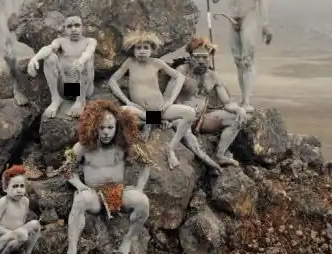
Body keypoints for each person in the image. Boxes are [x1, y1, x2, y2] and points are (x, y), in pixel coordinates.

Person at [58, 100, 151, 254]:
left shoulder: (124, 145)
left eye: (110, 127)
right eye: (102, 128)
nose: (106, 132)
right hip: (95, 196)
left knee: (143, 202)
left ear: (117, 127)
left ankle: (127, 241)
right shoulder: (83, 147)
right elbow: (66, 169)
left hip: (119, 194)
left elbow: (146, 164)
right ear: (94, 126)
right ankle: (72, 252)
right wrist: (79, 185)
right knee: (80, 200)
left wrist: (139, 188)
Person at [201, 0, 273, 111]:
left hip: (249, 16)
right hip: (231, 18)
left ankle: (246, 101)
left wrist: (265, 24)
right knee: (238, 60)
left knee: (247, 59)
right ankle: (242, 99)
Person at [108, 30, 196, 169]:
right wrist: (127, 101)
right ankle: (152, 122)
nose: (142, 51)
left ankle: (170, 148)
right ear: (133, 50)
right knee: (121, 111)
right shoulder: (130, 63)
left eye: (146, 48)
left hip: (160, 110)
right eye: (138, 48)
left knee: (190, 113)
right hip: (141, 111)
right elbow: (112, 81)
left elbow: (180, 77)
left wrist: (170, 101)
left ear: (152, 50)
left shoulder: (157, 63)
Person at [167, 37, 247, 167]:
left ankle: (220, 155)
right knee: (185, 129)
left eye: (204, 57)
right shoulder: (181, 71)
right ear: (190, 57)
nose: (201, 61)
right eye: (197, 57)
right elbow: (166, 99)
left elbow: (227, 103)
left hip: (201, 120)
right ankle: (209, 162)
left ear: (209, 57)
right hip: (181, 118)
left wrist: (239, 109)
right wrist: (158, 118)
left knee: (236, 118)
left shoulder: (213, 76)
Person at [27, 14, 97, 118]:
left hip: (84, 89)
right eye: (69, 26)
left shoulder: (89, 41)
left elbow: (89, 51)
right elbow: (49, 48)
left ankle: (80, 101)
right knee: (50, 58)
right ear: (65, 29)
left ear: (82, 27)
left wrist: (81, 61)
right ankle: (56, 99)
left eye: (77, 25)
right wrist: (35, 58)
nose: (73, 29)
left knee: (87, 60)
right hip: (66, 88)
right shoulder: (61, 42)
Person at [0, 165, 42, 254]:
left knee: (36, 224)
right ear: (5, 189)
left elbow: (22, 220)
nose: (19, 190)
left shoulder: (25, 201)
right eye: (15, 186)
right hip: (0, 241)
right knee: (22, 234)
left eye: (22, 186)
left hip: (17, 236)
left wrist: (19, 233)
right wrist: (12, 233)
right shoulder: (3, 202)